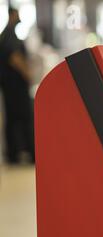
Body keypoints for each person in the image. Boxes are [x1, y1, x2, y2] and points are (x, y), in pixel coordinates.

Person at [0, 7, 34, 164]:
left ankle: (14, 153)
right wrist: (28, 73)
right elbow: (15, 58)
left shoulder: (5, 35)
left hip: (10, 87)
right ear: (12, 15)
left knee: (14, 118)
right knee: (21, 118)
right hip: (15, 87)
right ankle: (20, 152)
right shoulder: (9, 36)